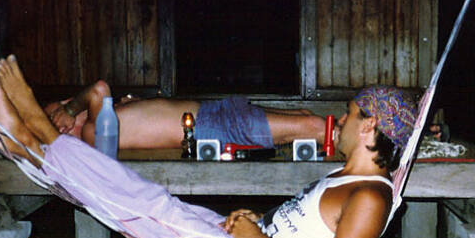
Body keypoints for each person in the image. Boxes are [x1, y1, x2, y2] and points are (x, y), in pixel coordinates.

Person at [0, 54, 419, 238]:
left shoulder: (370, 197)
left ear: (370, 128)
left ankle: (37, 132)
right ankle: (25, 145)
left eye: (349, 115)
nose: (340, 121)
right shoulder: (352, 178)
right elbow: (306, 232)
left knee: (143, 205)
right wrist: (260, 222)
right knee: (143, 203)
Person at [43, 80, 328, 149]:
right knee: (314, 126)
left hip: (213, 112)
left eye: (60, 107)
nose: (67, 105)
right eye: (57, 116)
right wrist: (69, 110)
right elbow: (98, 89)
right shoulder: (94, 133)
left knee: (303, 115)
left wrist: (134, 104)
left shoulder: (106, 116)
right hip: (210, 128)